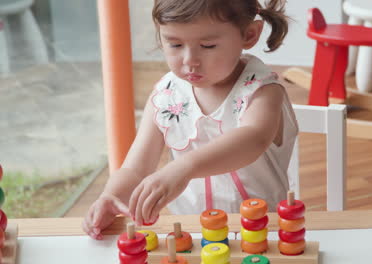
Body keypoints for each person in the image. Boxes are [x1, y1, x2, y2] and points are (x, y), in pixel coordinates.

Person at [83, 0, 298, 240]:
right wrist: (111, 197)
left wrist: (185, 167)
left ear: (249, 35)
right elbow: (135, 169)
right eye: (174, 43)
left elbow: (253, 138)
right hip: (190, 233)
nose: (189, 60)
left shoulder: (262, 90)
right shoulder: (166, 95)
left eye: (207, 45)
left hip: (261, 232)